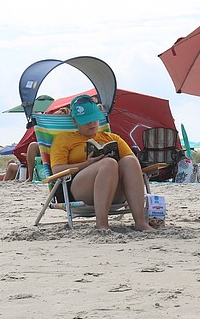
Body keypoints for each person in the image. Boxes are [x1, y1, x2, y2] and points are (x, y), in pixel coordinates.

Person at [49, 94, 153, 231]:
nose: (91, 123)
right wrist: (86, 164)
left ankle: (140, 222)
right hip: (79, 190)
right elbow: (57, 170)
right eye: (86, 120)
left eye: (94, 119)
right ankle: (102, 223)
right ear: (75, 121)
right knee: (108, 164)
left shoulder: (111, 137)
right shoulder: (64, 139)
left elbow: (131, 165)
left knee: (130, 160)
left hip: (115, 190)